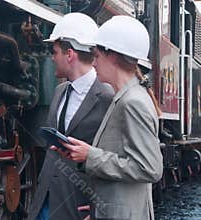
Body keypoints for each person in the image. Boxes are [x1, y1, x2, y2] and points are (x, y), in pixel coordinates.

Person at [51, 16, 164, 220]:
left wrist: (90, 155)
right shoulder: (124, 97)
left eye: (96, 56)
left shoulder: (132, 102)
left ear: (112, 56)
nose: (93, 63)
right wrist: (98, 208)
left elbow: (149, 168)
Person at [28, 13, 114, 220]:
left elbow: (115, 158)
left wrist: (101, 209)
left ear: (69, 54)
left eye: (54, 51)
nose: (51, 57)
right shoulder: (60, 91)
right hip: (47, 197)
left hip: (79, 203)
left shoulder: (107, 96)